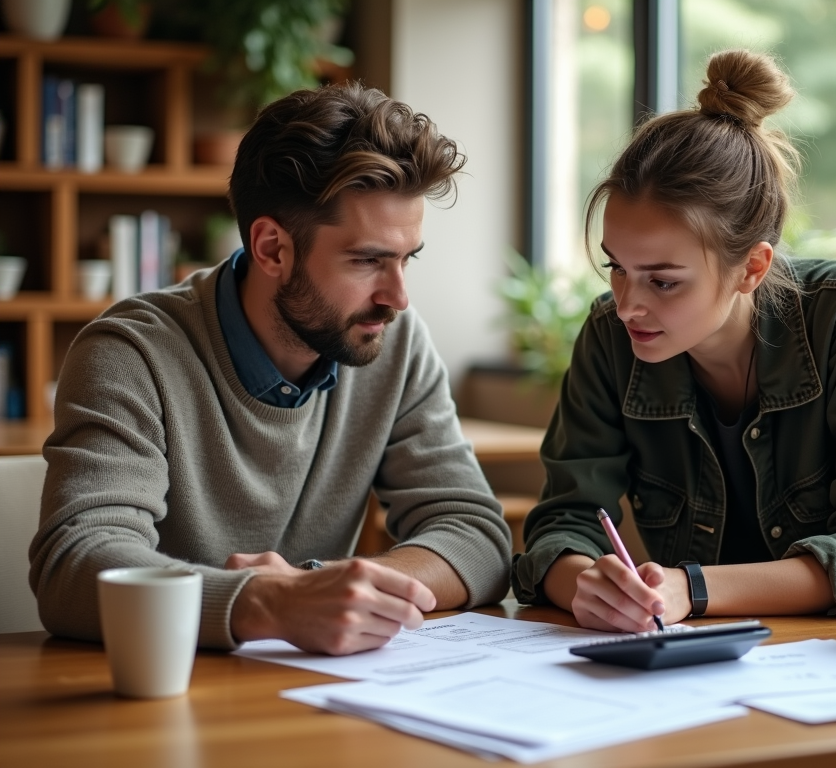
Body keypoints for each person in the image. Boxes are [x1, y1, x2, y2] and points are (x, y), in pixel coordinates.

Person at [30, 83, 512, 655]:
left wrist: (329, 586)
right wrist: (268, 602)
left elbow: (477, 536)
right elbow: (75, 563)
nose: (398, 297)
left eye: (407, 259)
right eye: (367, 261)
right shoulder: (132, 354)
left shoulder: (394, 343)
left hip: (317, 703)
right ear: (272, 249)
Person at [510, 49, 836, 633]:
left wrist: (690, 589)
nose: (627, 305)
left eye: (664, 280)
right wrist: (590, 585)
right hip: (708, 660)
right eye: (617, 267)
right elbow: (563, 522)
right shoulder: (609, 336)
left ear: (752, 268)